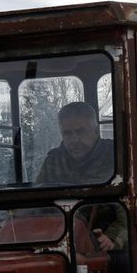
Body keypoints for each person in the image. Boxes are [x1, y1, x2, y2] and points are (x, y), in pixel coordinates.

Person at [38, 102, 125, 250]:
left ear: (95, 131)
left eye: (81, 132)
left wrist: (112, 237)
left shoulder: (116, 157)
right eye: (67, 133)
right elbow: (38, 204)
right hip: (59, 237)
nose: (74, 139)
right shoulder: (53, 161)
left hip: (103, 237)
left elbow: (131, 207)